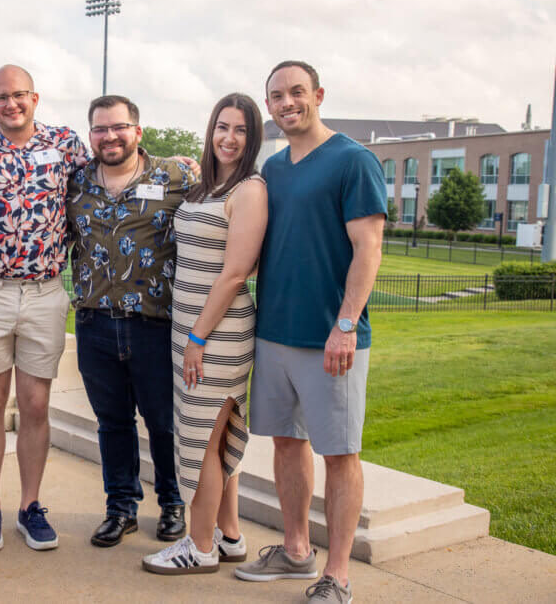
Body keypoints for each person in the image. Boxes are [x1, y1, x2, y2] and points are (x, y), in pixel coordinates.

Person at [233, 61, 386, 604]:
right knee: (285, 442)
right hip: (273, 334)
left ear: (318, 95)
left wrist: (345, 326)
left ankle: (338, 575)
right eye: (276, 96)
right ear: (268, 105)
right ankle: (296, 550)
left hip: (331, 340)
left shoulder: (353, 160)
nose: (287, 103)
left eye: (297, 92)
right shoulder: (273, 170)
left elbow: (369, 248)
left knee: (340, 453)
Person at [0, 64, 91, 552]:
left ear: (36, 97)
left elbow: (103, 185)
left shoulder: (67, 144)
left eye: (19, 95)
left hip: (44, 290)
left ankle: (30, 506)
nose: (10, 104)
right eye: (0, 98)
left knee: (35, 405)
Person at [141, 93, 268, 574]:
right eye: (221, 127)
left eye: (239, 130)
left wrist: (197, 339)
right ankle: (230, 536)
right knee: (216, 439)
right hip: (191, 328)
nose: (228, 138)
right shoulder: (204, 188)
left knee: (199, 443)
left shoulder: (249, 190)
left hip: (216, 334)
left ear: (251, 137)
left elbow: (236, 273)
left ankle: (199, 547)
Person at [66, 95, 193, 548]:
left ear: (137, 131)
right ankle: (120, 508)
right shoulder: (75, 182)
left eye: (118, 127)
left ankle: (173, 503)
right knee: (112, 422)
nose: (109, 136)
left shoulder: (177, 176)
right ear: (91, 136)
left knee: (163, 421)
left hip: (154, 324)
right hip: (95, 323)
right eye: (99, 129)